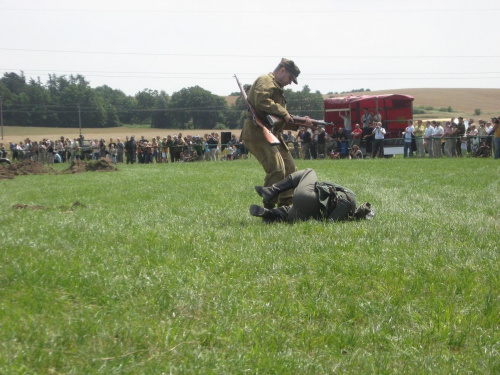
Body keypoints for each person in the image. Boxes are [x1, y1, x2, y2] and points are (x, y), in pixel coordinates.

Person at [240, 58, 312, 209]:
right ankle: (268, 209)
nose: (290, 82)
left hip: (271, 132)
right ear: (283, 70)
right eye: (290, 78)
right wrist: (283, 112)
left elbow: (278, 118)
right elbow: (261, 101)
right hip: (256, 131)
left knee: (290, 169)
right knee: (277, 168)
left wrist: (301, 122)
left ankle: (285, 207)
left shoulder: (275, 86)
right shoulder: (265, 80)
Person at [249, 168, 374, 223]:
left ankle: (272, 190)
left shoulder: (351, 198)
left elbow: (330, 222)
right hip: (305, 215)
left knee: (309, 171)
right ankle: (267, 213)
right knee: (288, 212)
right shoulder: (345, 217)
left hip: (307, 198)